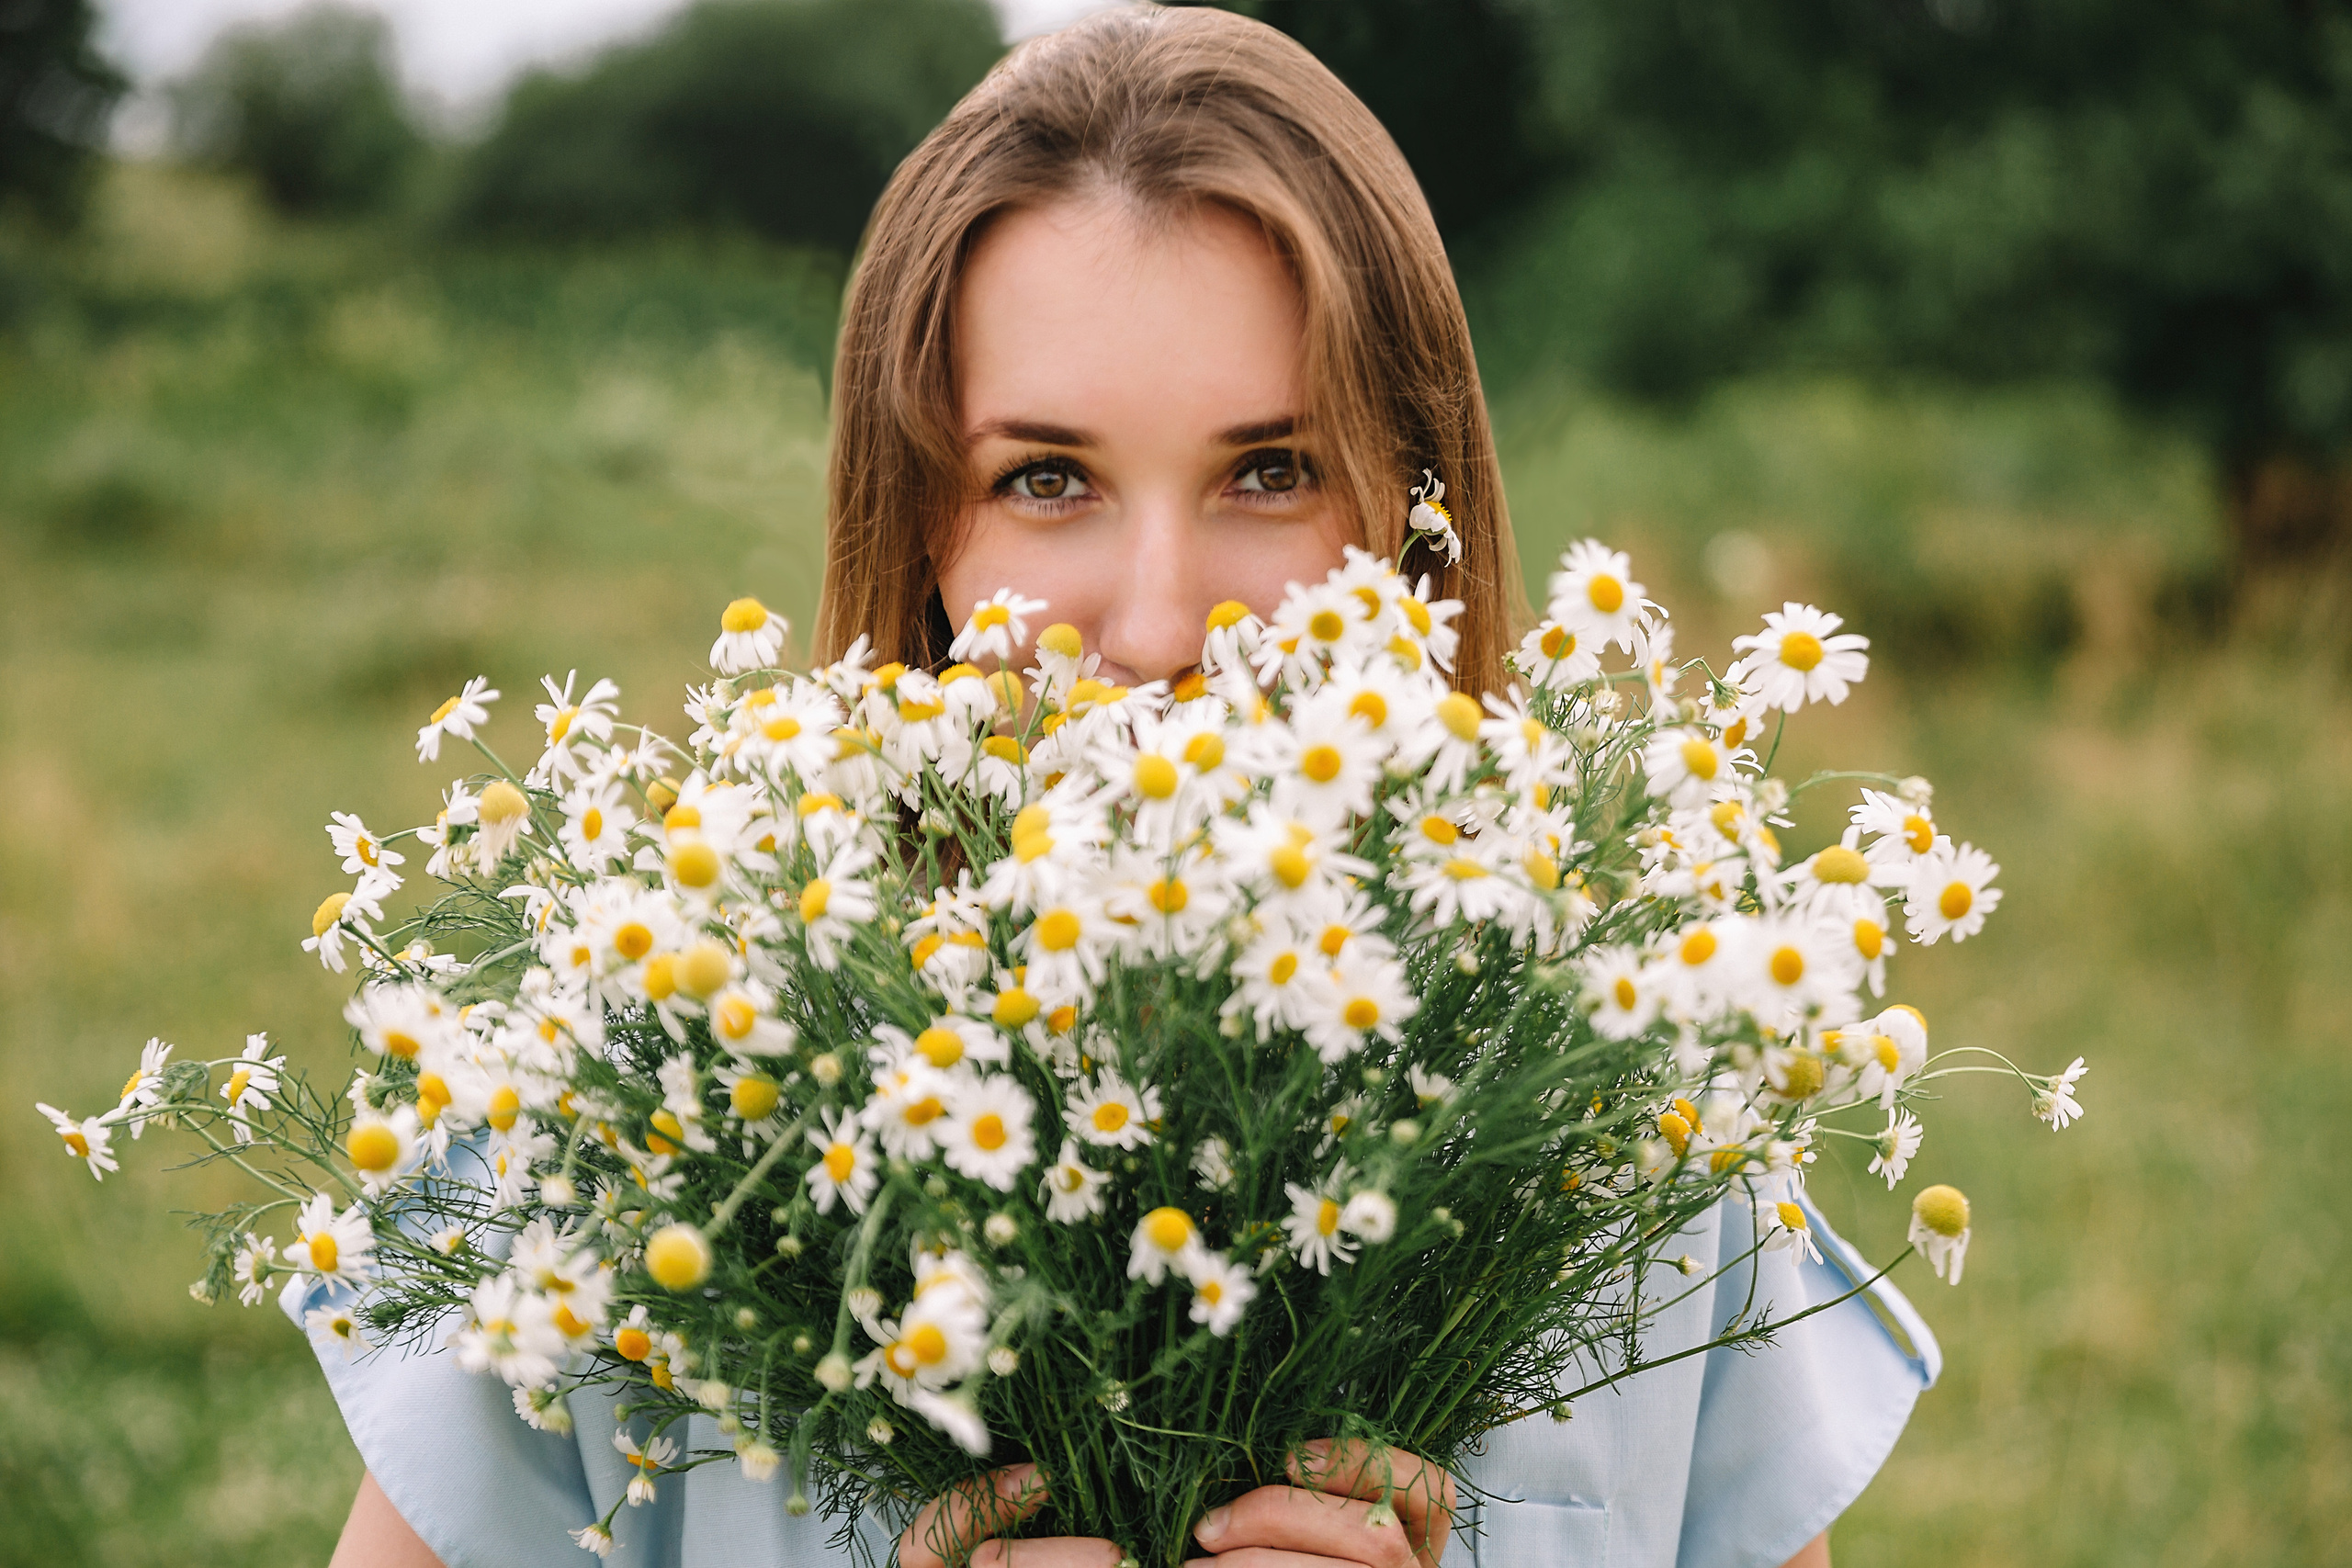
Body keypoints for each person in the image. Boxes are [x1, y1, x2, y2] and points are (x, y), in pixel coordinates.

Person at [312, 9, 1938, 1568]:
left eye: (1272, 471)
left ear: (1413, 520)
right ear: (926, 536)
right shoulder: (634, 1141)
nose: (1162, 629)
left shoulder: (1629, 1126)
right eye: (1047, 479)